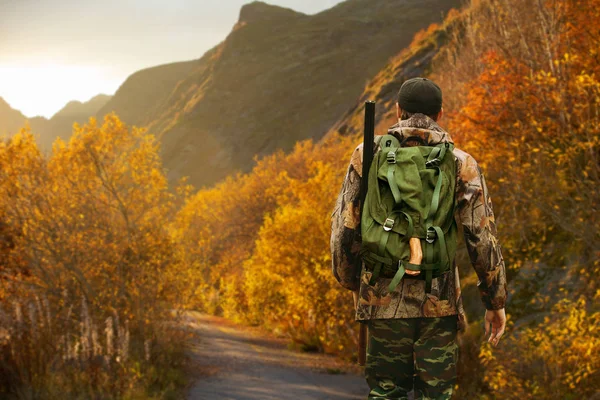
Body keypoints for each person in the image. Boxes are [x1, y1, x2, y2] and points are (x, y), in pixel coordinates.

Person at [330, 77, 507, 399]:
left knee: (387, 393)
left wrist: (353, 283)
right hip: (439, 300)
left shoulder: (366, 154)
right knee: (435, 396)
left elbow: (345, 228)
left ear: (398, 110)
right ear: (440, 113)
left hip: (381, 294)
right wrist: (495, 301)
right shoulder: (461, 163)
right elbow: (481, 238)